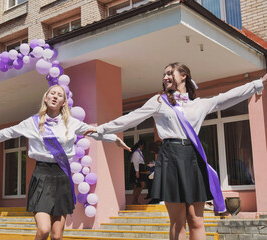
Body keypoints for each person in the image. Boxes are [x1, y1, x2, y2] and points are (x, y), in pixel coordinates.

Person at [85, 63, 266, 240]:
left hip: (193, 159)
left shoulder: (199, 104)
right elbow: (132, 118)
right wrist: (101, 129)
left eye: (170, 73)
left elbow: (227, 97)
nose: (165, 77)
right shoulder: (158, 101)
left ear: (183, 76)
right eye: (164, 75)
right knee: (177, 222)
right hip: (170, 157)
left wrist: (257, 83)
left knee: (196, 220)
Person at [0, 85, 130, 240]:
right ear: (45, 98)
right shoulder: (32, 122)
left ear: (63, 102)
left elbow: (94, 131)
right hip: (42, 176)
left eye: (60, 95)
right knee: (43, 229)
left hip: (62, 176)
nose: (55, 96)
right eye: (52, 93)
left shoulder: (71, 123)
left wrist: (114, 138)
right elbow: (9, 132)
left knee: (57, 236)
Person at [129, 140, 147, 204]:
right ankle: (134, 201)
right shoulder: (136, 152)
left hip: (140, 168)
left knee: (140, 185)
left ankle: (135, 200)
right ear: (141, 145)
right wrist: (137, 172)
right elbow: (135, 162)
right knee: (138, 185)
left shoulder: (139, 152)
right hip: (137, 169)